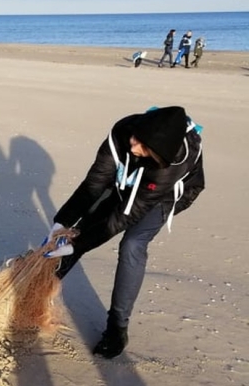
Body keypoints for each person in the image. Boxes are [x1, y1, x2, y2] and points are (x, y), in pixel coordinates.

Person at [43, 106, 204, 359]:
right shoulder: (123, 131)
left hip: (161, 196)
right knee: (78, 229)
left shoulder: (172, 163)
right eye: (137, 138)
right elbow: (95, 183)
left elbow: (126, 215)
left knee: (132, 243)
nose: (134, 147)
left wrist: (79, 243)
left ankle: (117, 328)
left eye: (143, 147)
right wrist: (61, 222)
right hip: (127, 180)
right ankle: (39, 288)